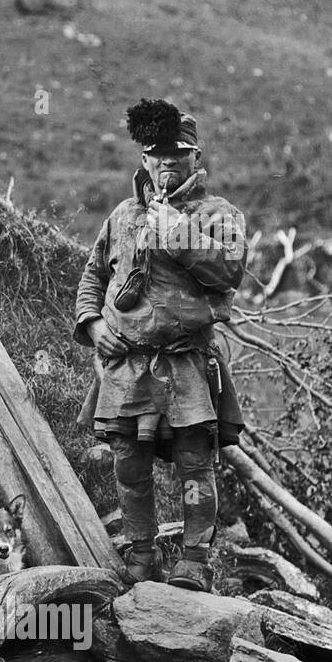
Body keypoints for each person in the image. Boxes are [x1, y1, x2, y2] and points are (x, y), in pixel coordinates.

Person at [74, 98, 246, 592]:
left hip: (186, 363)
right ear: (145, 159)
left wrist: (176, 231)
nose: (169, 161)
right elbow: (93, 273)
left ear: (196, 156)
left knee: (195, 462)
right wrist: (91, 323)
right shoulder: (123, 215)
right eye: (158, 153)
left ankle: (194, 562)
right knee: (127, 462)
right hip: (126, 366)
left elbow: (229, 269)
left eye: (180, 152)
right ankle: (141, 555)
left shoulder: (218, 214)